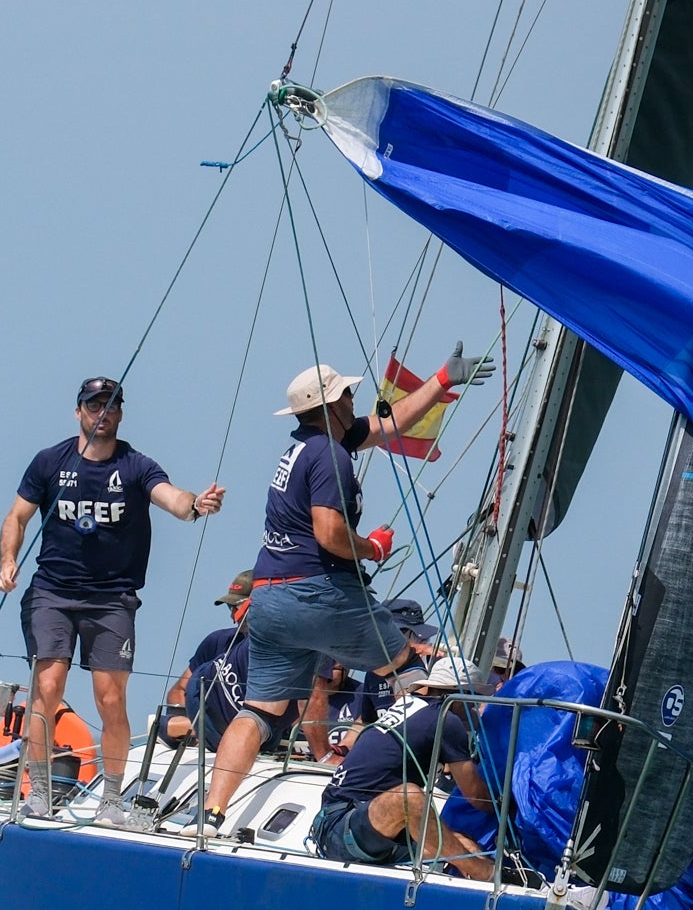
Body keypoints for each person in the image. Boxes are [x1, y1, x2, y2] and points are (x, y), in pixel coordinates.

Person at [203, 348, 490, 825]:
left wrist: (442, 380)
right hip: (319, 592)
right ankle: (419, 781)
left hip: (270, 598)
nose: (356, 398)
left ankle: (212, 811)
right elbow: (329, 533)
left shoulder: (305, 443)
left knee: (259, 710)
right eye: (349, 393)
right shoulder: (329, 453)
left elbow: (386, 425)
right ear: (332, 404)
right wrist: (373, 548)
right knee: (409, 674)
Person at [0, 376, 223, 814]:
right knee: (47, 684)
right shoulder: (48, 462)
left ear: (121, 413)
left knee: (111, 697)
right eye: (95, 405)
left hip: (112, 597)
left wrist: (197, 505)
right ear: (78, 411)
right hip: (52, 592)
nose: (104, 413)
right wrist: (8, 560)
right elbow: (17, 517)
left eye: (113, 405)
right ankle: (40, 793)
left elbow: (173, 498)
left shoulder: (135, 465)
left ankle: (113, 798)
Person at [311, 657, 493, 874]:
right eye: (473, 698)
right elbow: (476, 796)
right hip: (342, 826)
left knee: (467, 847)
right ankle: (484, 874)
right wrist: (507, 808)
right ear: (458, 694)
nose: (473, 705)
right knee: (409, 797)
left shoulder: (408, 705)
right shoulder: (444, 719)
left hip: (350, 821)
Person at [164, 573, 253, 749]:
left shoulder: (290, 652)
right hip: (209, 737)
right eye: (230, 608)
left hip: (256, 737)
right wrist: (196, 730)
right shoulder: (216, 642)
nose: (233, 616)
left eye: (238, 608)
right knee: (161, 725)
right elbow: (179, 690)